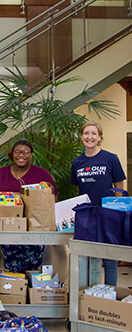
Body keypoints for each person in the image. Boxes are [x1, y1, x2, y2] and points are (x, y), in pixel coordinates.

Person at [0, 139, 59, 273]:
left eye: (25, 152)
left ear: (30, 155)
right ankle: (15, 291)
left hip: (35, 230)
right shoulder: (0, 174)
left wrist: (49, 220)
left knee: (33, 267)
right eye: (17, 152)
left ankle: (32, 292)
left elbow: (53, 197)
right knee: (11, 267)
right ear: (12, 154)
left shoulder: (42, 174)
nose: (21, 155)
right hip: (8, 228)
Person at [71, 121, 126, 286]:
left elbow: (119, 186)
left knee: (109, 260)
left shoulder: (110, 158)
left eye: (94, 133)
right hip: (86, 216)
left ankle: (110, 295)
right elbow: (80, 188)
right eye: (86, 133)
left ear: (100, 137)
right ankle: (88, 296)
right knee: (86, 258)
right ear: (81, 137)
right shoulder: (77, 162)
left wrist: (116, 212)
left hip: (108, 214)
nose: (90, 137)